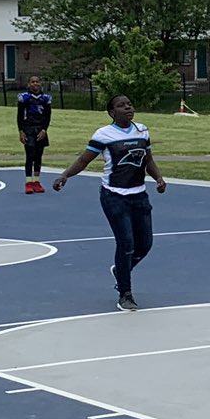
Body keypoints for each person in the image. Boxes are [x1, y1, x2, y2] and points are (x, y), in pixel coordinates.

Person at [53, 94, 167, 311]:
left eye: (129, 104)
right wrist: (65, 175)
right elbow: (84, 160)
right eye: (121, 106)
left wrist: (158, 178)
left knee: (145, 244)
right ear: (112, 113)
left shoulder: (142, 130)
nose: (127, 107)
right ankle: (125, 292)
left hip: (139, 195)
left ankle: (121, 270)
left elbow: (148, 159)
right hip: (114, 196)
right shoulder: (103, 135)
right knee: (126, 243)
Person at [17, 74, 53, 194]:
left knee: (38, 156)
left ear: (40, 83)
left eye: (37, 81)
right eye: (32, 82)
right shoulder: (25, 98)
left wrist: (44, 130)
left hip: (40, 129)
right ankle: (28, 182)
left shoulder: (45, 99)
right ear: (29, 84)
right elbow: (20, 116)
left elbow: (48, 116)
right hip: (28, 128)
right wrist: (21, 131)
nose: (35, 84)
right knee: (30, 154)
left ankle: (37, 181)